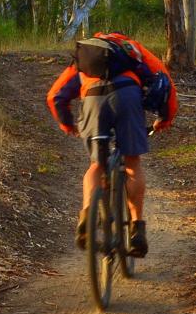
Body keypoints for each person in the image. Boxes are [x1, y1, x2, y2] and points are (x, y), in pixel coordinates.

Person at [46, 31, 178, 258]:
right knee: (132, 163)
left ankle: (88, 216)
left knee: (96, 165)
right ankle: (137, 228)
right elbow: (165, 82)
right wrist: (164, 118)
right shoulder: (132, 49)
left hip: (93, 100)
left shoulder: (86, 54)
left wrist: (68, 125)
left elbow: (55, 95)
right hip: (127, 97)